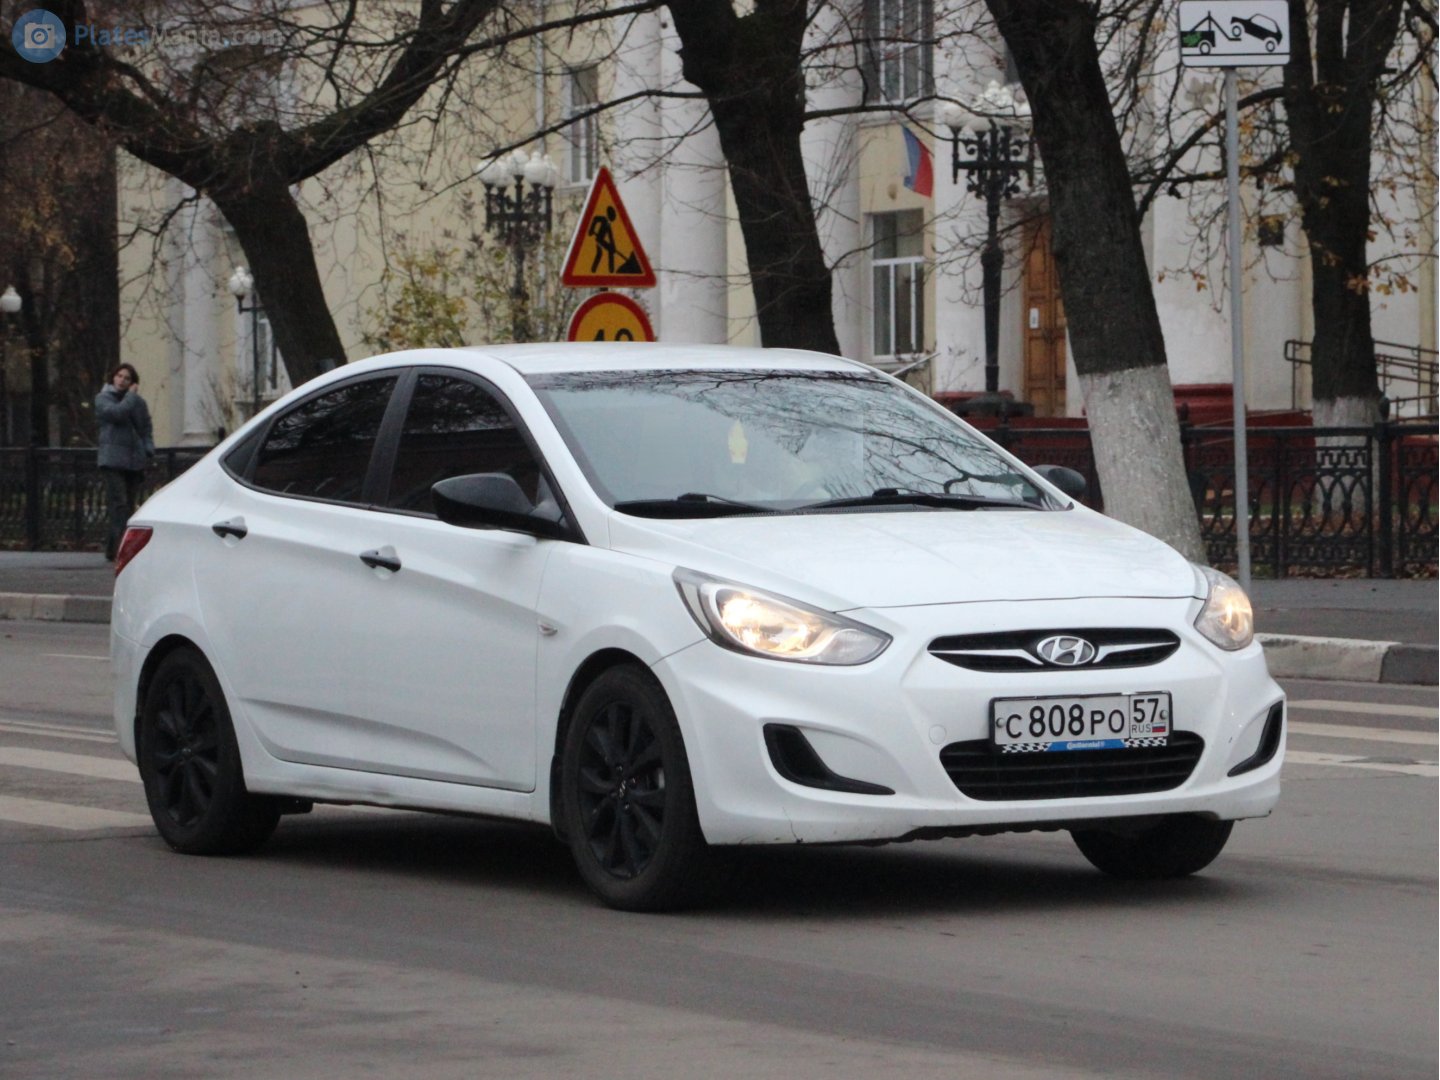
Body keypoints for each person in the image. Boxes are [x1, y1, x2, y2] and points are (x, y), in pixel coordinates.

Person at [95, 363, 154, 561]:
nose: (122, 380)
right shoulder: (103, 398)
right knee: (119, 505)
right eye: (119, 376)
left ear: (132, 382)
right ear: (113, 378)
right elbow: (117, 414)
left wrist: (148, 449)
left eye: (127, 378)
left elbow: (145, 427)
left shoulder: (138, 403)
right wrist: (131, 396)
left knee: (128, 506)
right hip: (112, 460)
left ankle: (113, 550)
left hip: (133, 460)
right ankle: (122, 551)